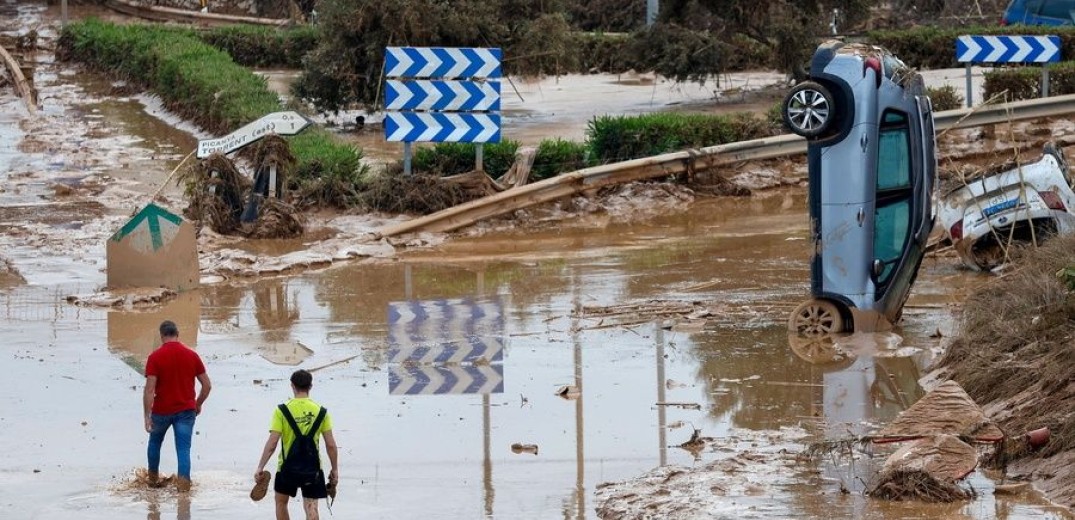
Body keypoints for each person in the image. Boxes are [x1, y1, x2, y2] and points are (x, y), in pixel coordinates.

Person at [255, 369, 339, 520]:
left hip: (286, 468)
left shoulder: (281, 410)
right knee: (311, 507)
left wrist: (261, 466)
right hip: (312, 469)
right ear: (310, 386)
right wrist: (335, 469)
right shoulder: (321, 412)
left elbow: (273, 442)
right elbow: (331, 445)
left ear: (292, 386)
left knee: (281, 503)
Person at [144, 320, 212, 492]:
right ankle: (183, 488)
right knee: (183, 449)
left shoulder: (154, 357)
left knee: (154, 443)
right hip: (185, 411)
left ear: (162, 336)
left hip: (161, 411)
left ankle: (152, 481)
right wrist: (197, 404)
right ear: (177, 334)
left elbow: (149, 390)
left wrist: (146, 415)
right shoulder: (191, 355)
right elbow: (207, 385)